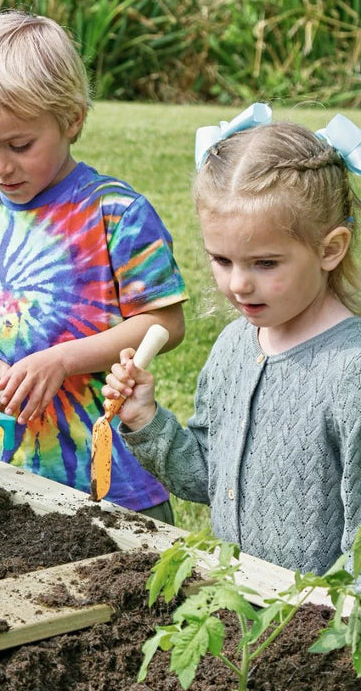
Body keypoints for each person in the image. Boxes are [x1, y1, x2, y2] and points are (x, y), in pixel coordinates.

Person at [0, 11, 187, 520]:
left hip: (114, 477)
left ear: (71, 119)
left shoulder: (116, 212)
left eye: (20, 145)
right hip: (6, 472)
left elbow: (165, 323)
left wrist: (62, 360)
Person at [104, 103, 361, 574]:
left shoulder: (351, 371)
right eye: (221, 260)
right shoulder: (234, 347)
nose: (238, 284)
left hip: (315, 615)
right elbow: (207, 475)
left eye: (265, 263)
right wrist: (145, 419)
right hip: (236, 606)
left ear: (330, 249)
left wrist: (323, 611)